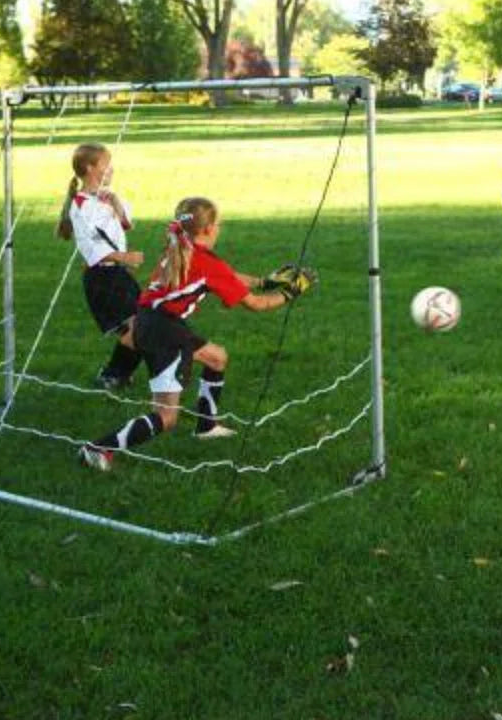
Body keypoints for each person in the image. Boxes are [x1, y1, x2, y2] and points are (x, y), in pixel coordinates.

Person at [78, 196, 317, 472]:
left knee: (217, 358)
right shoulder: (202, 260)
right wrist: (291, 291)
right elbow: (257, 305)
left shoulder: (179, 246)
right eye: (218, 225)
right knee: (166, 417)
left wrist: (265, 281)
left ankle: (207, 426)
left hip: (149, 321)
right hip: (166, 334)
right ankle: (97, 448)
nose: (219, 229)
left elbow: (226, 275)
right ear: (207, 229)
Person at [56, 142, 144, 389]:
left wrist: (115, 202)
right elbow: (91, 246)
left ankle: (120, 374)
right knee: (139, 326)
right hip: (102, 277)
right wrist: (124, 257)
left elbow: (127, 224)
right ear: (90, 168)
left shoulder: (105, 198)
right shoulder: (82, 205)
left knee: (142, 325)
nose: (112, 169)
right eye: (106, 164)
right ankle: (113, 374)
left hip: (117, 274)